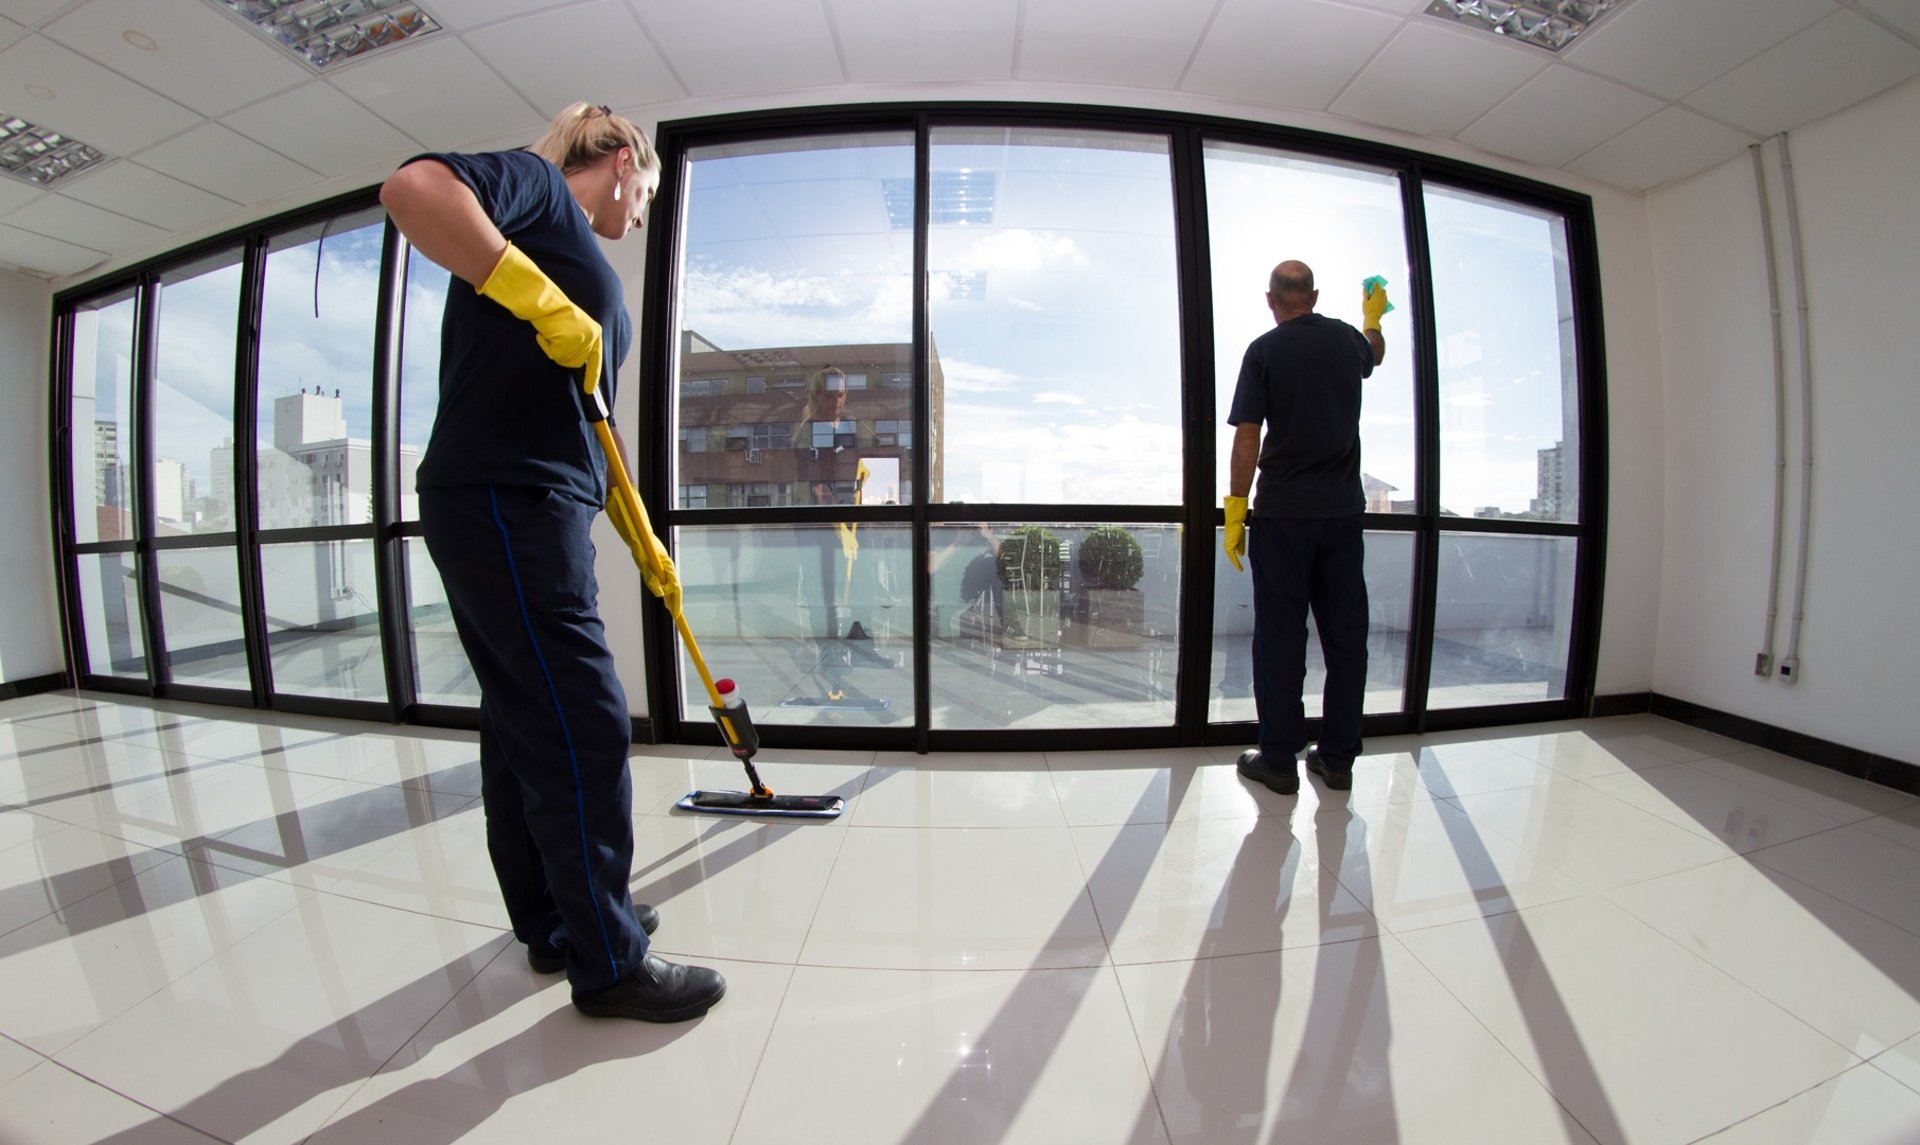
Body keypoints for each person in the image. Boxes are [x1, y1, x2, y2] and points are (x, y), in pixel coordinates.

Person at [379, 103, 725, 1022]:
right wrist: (536, 296)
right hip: (504, 497)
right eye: (643, 195)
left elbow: (592, 431)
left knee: (525, 719)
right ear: (621, 161)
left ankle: (558, 920)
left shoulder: (581, 259)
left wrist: (643, 538)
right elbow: (413, 190)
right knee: (585, 719)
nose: (641, 216)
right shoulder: (537, 196)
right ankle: (610, 961)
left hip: (528, 498)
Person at [1222, 260, 1388, 795]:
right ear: (1313, 296)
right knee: (1346, 637)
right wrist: (1373, 318)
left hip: (1284, 515)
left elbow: (1249, 436)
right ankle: (1337, 759)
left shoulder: (1264, 351)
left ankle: (1278, 761)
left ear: (1271, 300)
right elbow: (1374, 355)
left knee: (1280, 637)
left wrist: (1234, 509)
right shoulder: (1347, 341)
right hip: (1342, 514)